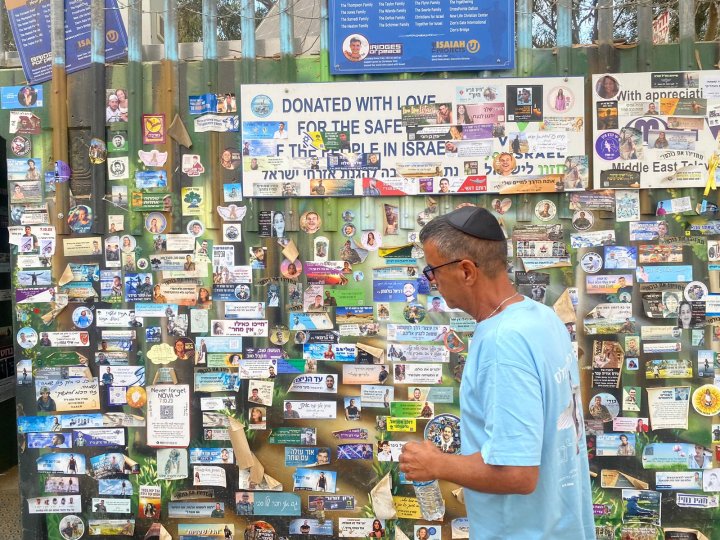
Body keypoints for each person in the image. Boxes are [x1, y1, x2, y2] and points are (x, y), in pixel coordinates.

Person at [396, 208, 593, 537]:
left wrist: (436, 464)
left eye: (432, 270)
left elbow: (518, 474)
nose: (431, 282)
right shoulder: (542, 317)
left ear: (467, 271)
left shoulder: (503, 343)